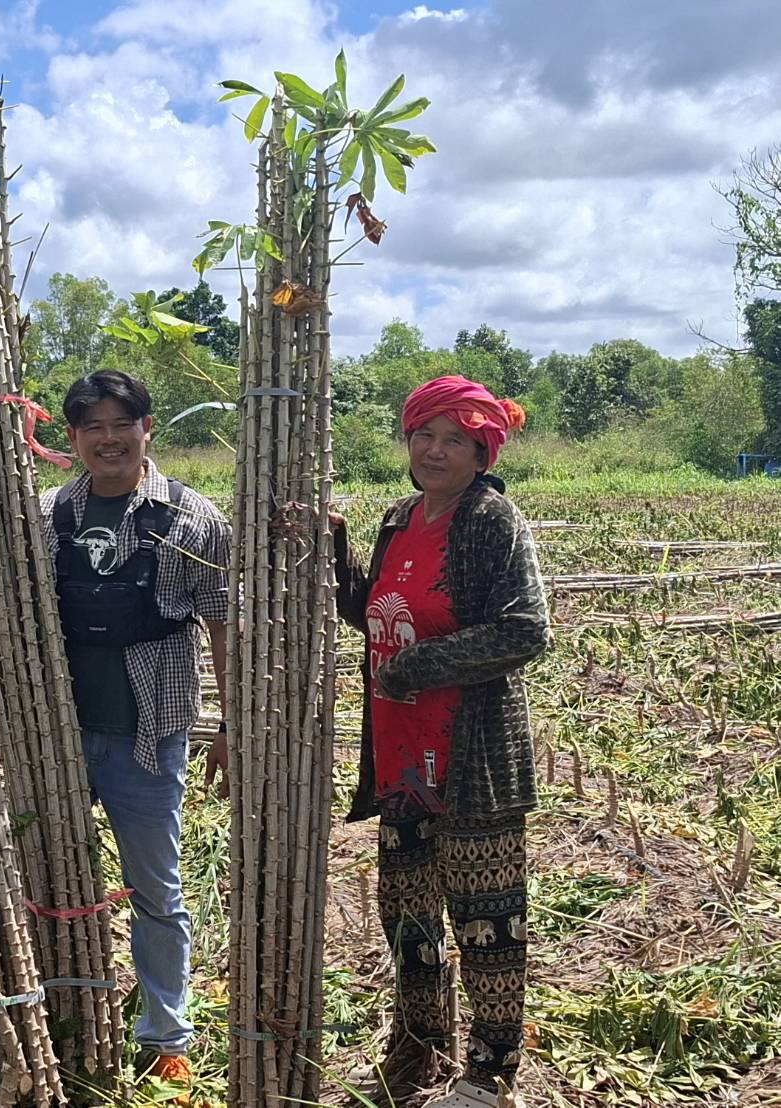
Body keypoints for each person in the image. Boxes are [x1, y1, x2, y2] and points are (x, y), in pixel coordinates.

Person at [0, 370, 230, 1104]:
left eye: (121, 424)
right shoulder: (46, 515)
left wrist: (230, 723)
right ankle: (58, 1010)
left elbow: (222, 622)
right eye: (91, 428)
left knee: (156, 890)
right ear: (71, 440)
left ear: (148, 428)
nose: (108, 439)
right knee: (47, 876)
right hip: (57, 734)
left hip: (151, 731)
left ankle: (165, 1034)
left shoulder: (191, 517)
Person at [288, 375, 549, 1108]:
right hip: (403, 760)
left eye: (454, 441)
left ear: (481, 451)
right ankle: (419, 1045)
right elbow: (373, 611)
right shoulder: (399, 516)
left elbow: (524, 629)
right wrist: (331, 543)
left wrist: (414, 667)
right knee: (407, 916)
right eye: (423, 435)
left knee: (486, 923)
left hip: (472, 764)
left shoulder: (490, 521)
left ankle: (488, 1074)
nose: (434, 451)